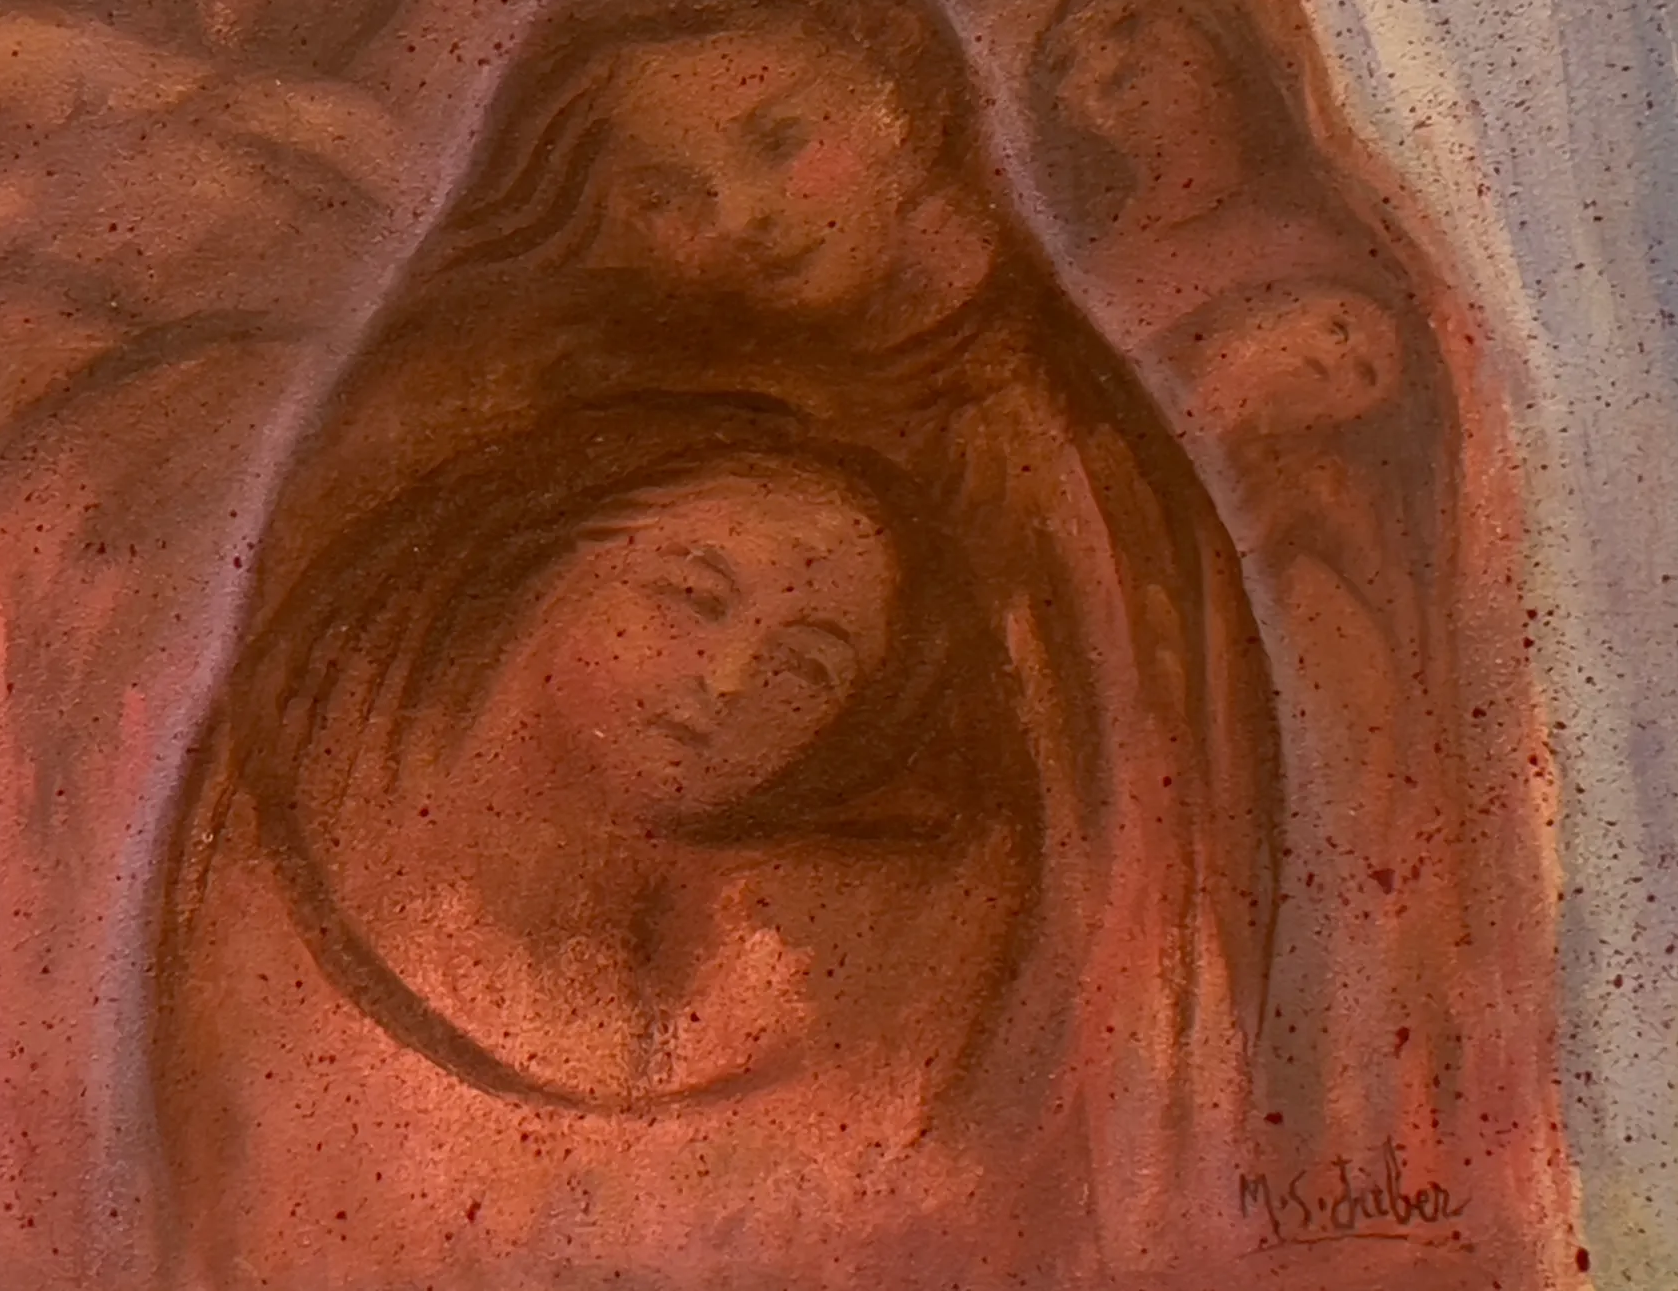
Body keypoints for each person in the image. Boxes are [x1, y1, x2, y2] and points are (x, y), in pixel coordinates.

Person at [253, 0, 1287, 1273]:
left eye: (781, 138)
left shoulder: (1053, 459)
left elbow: (1122, 830)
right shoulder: (536, 378)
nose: (738, 214)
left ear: (914, 99)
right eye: (665, 192)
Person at [156, 398, 1061, 1289]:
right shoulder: (253, 892)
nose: (731, 679)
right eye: (694, 596)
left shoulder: (775, 984)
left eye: (806, 666)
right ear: (557, 558)